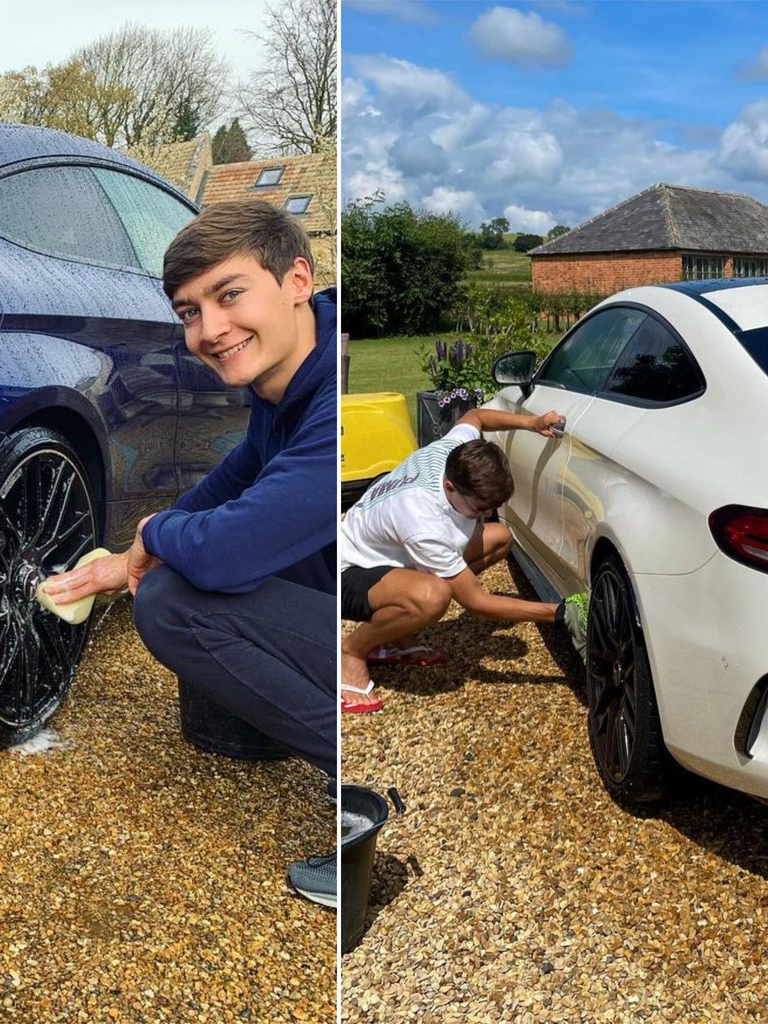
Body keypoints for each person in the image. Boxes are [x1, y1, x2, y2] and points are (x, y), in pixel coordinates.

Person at [42, 199, 338, 906]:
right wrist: (121, 562)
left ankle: (361, 780)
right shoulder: (295, 365)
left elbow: (226, 553)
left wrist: (152, 538)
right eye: (189, 312)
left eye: (230, 295)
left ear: (296, 278)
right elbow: (239, 473)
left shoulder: (332, 398)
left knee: (175, 601)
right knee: (217, 548)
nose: (210, 330)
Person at [340, 407, 588, 712]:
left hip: (389, 551)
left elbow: (476, 416)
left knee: (499, 537)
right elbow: (476, 602)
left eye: (492, 506)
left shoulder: (454, 453)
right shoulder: (425, 523)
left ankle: (395, 630)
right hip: (348, 572)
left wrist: (532, 423)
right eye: (479, 508)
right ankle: (352, 652)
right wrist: (560, 613)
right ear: (449, 487)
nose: (485, 514)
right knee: (433, 597)